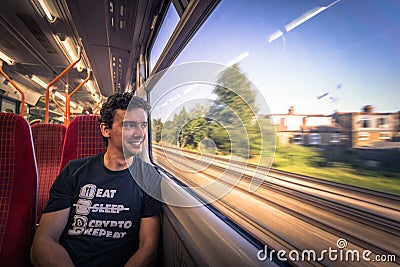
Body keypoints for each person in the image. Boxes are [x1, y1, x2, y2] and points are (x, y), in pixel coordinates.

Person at [31, 92, 162, 267]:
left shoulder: (149, 178)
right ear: (105, 129)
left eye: (143, 125)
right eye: (129, 125)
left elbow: (148, 248)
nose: (140, 133)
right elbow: (44, 241)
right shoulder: (74, 171)